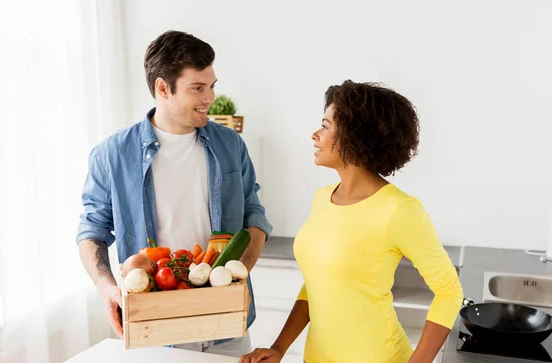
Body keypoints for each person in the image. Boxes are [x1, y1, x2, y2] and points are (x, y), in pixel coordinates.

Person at [76, 30, 272, 357]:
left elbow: (254, 214)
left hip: (226, 324)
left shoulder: (230, 144)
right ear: (163, 88)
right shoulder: (112, 154)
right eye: (197, 88)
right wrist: (108, 289)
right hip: (155, 325)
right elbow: (91, 230)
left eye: (212, 86)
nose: (209, 97)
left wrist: (239, 274)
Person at [239, 80, 463, 363]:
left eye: (325, 126)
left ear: (356, 136)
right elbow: (316, 284)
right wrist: (280, 348)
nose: (315, 135)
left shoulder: (400, 210)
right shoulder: (322, 198)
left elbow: (449, 292)